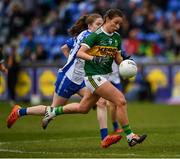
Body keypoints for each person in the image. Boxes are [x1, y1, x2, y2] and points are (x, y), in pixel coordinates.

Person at [7, 13, 122, 148]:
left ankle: (105, 138)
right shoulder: (87, 36)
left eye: (101, 24)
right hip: (68, 78)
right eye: (98, 24)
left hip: (82, 79)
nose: (100, 26)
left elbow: (65, 48)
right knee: (52, 109)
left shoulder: (94, 36)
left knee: (101, 102)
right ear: (89, 25)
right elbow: (84, 51)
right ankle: (20, 111)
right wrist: (73, 63)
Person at [41, 9, 147, 147]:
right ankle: (130, 136)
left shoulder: (116, 37)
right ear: (107, 19)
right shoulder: (94, 36)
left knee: (83, 108)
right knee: (121, 100)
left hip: (104, 77)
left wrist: (127, 63)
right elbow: (80, 53)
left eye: (119, 24)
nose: (117, 26)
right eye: (115, 23)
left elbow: (117, 58)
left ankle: (53, 111)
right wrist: (94, 59)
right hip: (92, 77)